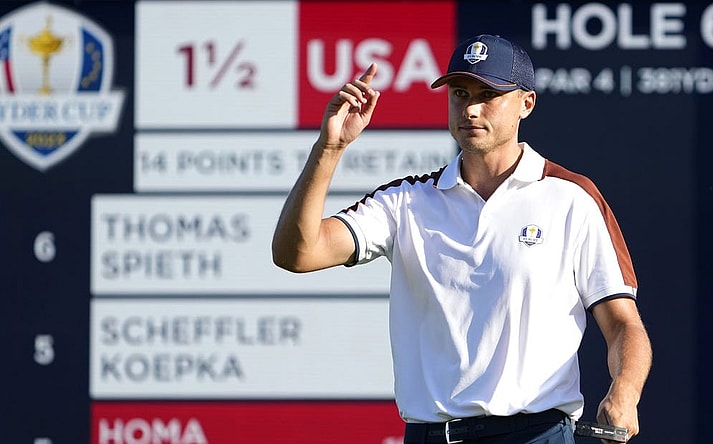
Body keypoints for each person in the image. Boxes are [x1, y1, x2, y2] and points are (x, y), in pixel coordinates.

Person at [272, 34, 651, 444]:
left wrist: (625, 391)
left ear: (527, 103)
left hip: (535, 434)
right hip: (430, 435)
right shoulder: (407, 201)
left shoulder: (571, 197)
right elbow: (298, 252)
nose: (470, 108)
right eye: (460, 93)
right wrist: (330, 147)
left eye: (488, 94)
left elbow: (622, 324)